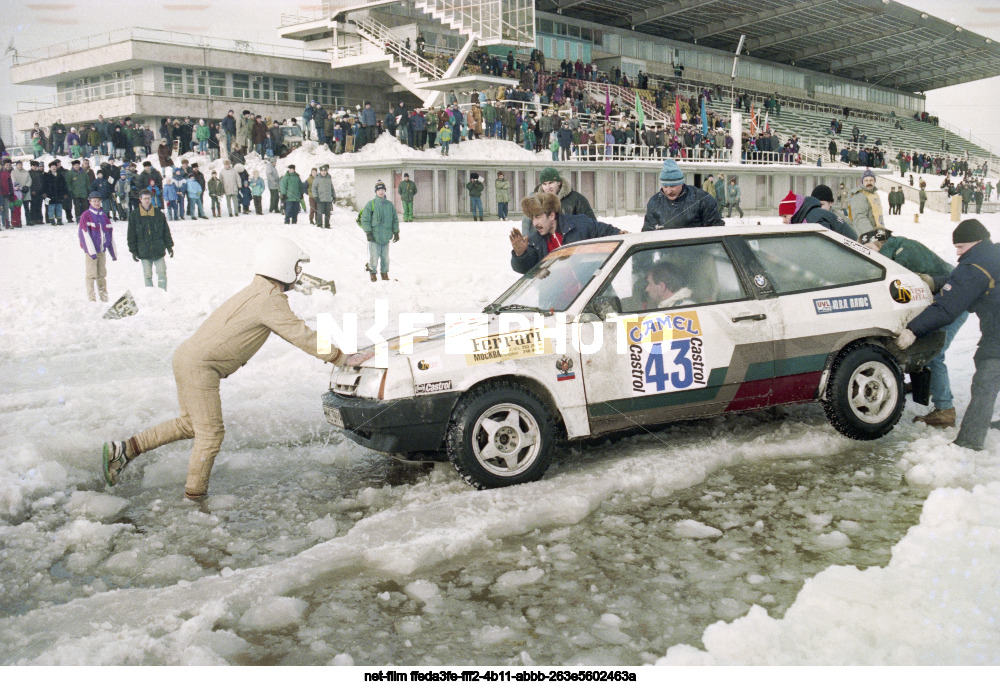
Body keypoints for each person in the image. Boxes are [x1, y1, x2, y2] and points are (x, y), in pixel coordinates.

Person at [101, 237, 373, 499]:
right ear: (281, 266)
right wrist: (341, 357)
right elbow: (300, 334)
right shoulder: (269, 299)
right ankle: (194, 501)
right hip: (201, 366)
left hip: (187, 357)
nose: (299, 272)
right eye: (297, 267)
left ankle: (124, 450)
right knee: (211, 434)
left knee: (190, 424)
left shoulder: (255, 291)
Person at [896, 220, 1000, 450]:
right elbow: (967, 283)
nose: (958, 252)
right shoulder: (993, 255)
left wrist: (913, 330)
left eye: (961, 247)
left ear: (977, 242)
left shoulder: (976, 264)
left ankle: (968, 444)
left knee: (986, 380)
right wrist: (934, 282)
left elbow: (947, 307)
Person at [859, 228, 964, 427]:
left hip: (954, 303)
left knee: (934, 353)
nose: (868, 254)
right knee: (925, 347)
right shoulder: (896, 250)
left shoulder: (903, 253)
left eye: (870, 248)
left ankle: (945, 410)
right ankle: (931, 386)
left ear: (881, 243)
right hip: (940, 302)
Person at [509, 192, 623, 274]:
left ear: (552, 215)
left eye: (538, 217)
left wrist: (622, 234)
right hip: (557, 301)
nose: (534, 223)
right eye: (532, 218)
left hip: (591, 292)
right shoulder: (535, 241)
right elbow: (526, 270)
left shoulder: (580, 224)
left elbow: (608, 232)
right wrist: (520, 255)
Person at [642, 159, 724, 231]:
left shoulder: (702, 199)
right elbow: (648, 232)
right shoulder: (655, 202)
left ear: (682, 183)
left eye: (672, 186)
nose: (668, 191)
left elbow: (715, 230)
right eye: (665, 186)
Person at [127, 188, 174, 291]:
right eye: (145, 199)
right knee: (147, 275)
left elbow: (165, 231)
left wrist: (169, 246)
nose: (147, 201)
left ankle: (162, 293)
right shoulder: (134, 215)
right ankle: (150, 295)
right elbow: (131, 235)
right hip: (144, 250)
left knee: (162, 273)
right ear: (140, 199)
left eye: (149, 198)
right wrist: (133, 251)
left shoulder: (158, 214)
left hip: (158, 249)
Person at [78, 191, 117, 302]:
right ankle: (92, 299)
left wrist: (113, 253)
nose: (97, 203)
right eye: (94, 201)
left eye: (98, 201)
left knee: (101, 275)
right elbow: (84, 234)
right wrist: (91, 251)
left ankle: (104, 298)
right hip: (91, 251)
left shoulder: (104, 216)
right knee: (91, 275)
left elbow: (109, 235)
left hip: (101, 251)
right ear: (90, 202)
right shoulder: (86, 215)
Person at [781, 185, 857, 238]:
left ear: (830, 203)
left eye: (821, 204)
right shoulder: (811, 215)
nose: (818, 208)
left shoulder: (818, 218)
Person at [360, 180, 399, 281]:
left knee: (385, 258)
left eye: (382, 190)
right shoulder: (371, 204)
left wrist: (396, 232)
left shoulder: (389, 205)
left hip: (386, 237)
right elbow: (365, 219)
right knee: (374, 258)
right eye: (379, 190)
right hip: (374, 237)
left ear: (385, 191)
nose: (381, 192)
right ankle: (373, 274)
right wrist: (368, 232)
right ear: (376, 192)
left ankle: (384, 274)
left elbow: (394, 219)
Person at [849, 169, 885, 234]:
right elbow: (860, 218)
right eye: (866, 180)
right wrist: (870, 235)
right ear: (862, 182)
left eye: (871, 180)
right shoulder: (859, 195)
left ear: (874, 182)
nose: (869, 183)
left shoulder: (873, 194)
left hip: (877, 232)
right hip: (865, 235)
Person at [312, 164, 335, 228]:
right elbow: (313, 188)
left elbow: (332, 188)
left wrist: (334, 196)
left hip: (328, 199)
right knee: (320, 213)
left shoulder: (329, 178)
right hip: (320, 199)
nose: (324, 172)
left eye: (325, 171)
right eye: (322, 171)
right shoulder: (317, 178)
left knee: (328, 213)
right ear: (320, 172)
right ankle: (319, 225)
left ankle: (327, 225)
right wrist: (315, 196)